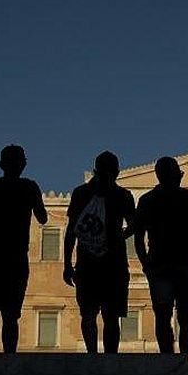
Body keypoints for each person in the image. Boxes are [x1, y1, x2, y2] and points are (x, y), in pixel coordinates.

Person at [134, 157, 188, 353]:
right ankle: (184, 359)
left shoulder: (147, 200)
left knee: (163, 316)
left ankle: (166, 359)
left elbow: (138, 238)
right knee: (186, 317)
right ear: (176, 176)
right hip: (185, 266)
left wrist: (146, 265)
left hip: (160, 267)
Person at [0, 145, 47, 353]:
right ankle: (8, 359)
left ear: (1, 165)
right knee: (9, 315)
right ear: (23, 164)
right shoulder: (29, 187)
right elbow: (42, 217)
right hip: (13, 257)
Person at [63, 151, 135, 353]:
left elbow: (71, 231)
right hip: (110, 264)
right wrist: (118, 237)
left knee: (92, 314)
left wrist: (67, 264)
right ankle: (105, 357)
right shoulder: (122, 195)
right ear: (117, 173)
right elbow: (133, 226)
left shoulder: (81, 194)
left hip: (92, 263)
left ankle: (93, 355)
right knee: (106, 315)